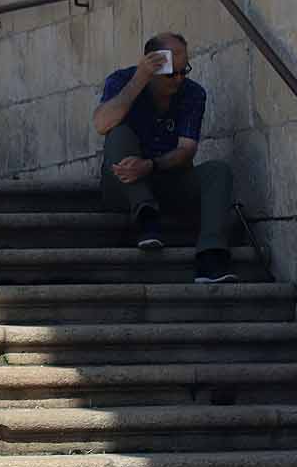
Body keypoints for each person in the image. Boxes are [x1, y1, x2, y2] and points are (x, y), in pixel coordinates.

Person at [93, 32, 238, 284]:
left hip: (165, 178)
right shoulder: (122, 81)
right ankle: (146, 215)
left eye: (185, 71)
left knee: (218, 171)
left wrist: (149, 166)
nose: (179, 79)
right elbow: (101, 123)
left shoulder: (193, 94)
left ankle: (211, 255)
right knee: (118, 133)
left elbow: (186, 151)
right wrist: (140, 78)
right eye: (172, 73)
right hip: (123, 185)